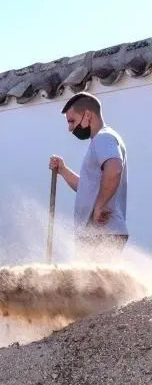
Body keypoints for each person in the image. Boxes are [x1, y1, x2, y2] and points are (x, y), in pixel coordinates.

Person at [50, 91, 128, 261]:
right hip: (100, 234)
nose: (70, 128)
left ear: (87, 115)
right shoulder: (102, 140)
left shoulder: (103, 137)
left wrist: (100, 205)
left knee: (92, 286)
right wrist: (63, 170)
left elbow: (114, 169)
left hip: (101, 233)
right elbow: (88, 188)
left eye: (72, 121)